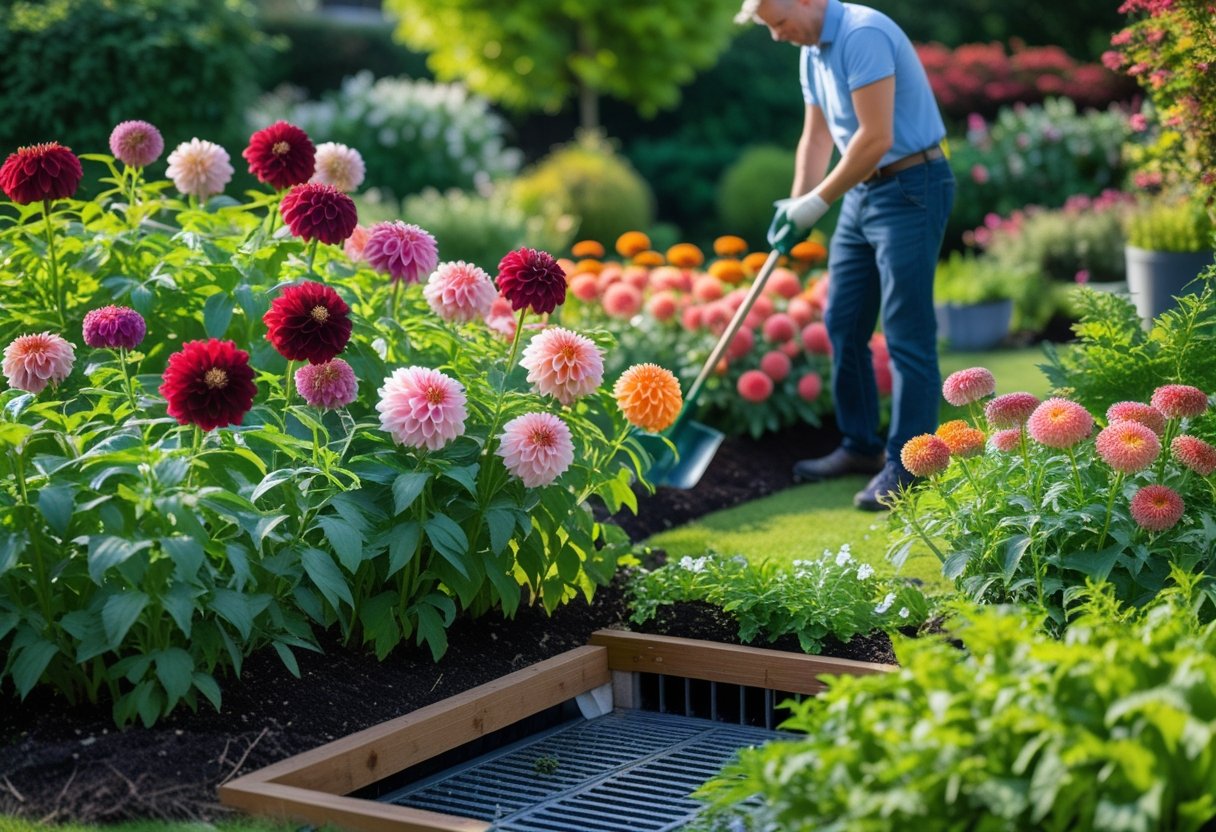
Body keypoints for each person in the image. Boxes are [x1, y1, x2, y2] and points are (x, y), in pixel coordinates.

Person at [736, 0, 955, 511]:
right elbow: (816, 138)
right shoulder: (810, 49)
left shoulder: (863, 34)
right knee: (843, 321)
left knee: (906, 332)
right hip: (862, 191)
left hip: (911, 184)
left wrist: (818, 202)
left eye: (779, 23)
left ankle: (908, 464)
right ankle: (860, 446)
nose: (776, 36)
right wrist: (797, 202)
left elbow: (875, 138)